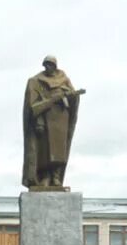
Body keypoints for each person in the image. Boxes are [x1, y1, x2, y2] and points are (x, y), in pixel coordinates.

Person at [22, 55, 85, 188]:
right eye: (46, 65)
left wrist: (71, 96)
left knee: (59, 150)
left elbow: (73, 96)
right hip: (45, 118)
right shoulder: (36, 81)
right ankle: (45, 176)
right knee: (44, 149)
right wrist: (50, 100)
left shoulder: (64, 79)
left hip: (61, 117)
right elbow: (32, 105)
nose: (48, 67)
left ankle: (56, 176)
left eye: (50, 64)